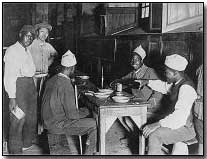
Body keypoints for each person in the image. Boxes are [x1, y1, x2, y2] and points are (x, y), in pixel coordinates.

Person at [42, 50, 97, 155]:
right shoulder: (66, 84)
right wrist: (88, 111)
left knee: (85, 115)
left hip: (48, 121)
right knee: (94, 124)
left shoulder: (51, 79)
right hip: (57, 125)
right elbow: (72, 115)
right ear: (72, 68)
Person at [140, 53, 197, 155]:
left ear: (175, 73)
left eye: (166, 72)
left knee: (155, 135)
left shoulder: (186, 88)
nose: (164, 74)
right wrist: (147, 82)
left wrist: (157, 124)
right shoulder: (179, 81)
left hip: (186, 128)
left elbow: (179, 118)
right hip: (179, 124)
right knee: (150, 123)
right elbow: (164, 87)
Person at [111, 45, 163, 142]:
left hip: (151, 106)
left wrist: (150, 104)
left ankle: (141, 141)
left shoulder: (150, 71)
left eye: (137, 59)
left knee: (127, 118)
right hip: (138, 103)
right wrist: (117, 83)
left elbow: (159, 91)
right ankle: (134, 138)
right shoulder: (132, 74)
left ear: (142, 61)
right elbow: (121, 81)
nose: (134, 62)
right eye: (132, 59)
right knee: (119, 115)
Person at [4, 25, 37, 154]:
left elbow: (30, 70)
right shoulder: (12, 50)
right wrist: (12, 97)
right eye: (27, 35)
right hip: (19, 87)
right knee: (18, 118)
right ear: (20, 34)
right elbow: (9, 76)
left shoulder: (26, 50)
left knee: (30, 118)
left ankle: (25, 144)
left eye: (32, 37)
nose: (29, 39)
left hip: (29, 85)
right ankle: (14, 150)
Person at [28, 22, 58, 134]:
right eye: (42, 32)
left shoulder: (48, 46)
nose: (44, 34)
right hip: (33, 78)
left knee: (44, 103)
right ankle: (31, 129)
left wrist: (48, 64)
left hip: (44, 78)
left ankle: (40, 129)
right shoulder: (31, 44)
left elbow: (55, 55)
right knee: (33, 103)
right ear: (37, 32)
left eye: (46, 32)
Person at [193, 64, 203, 154]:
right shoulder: (200, 68)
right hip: (199, 110)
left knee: (202, 142)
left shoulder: (200, 67)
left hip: (199, 110)